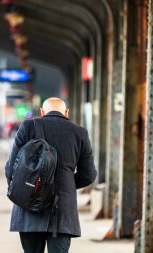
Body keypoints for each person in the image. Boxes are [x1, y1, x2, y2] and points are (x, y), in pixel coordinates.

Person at [5, 97, 97, 253]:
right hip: (61, 210)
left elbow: (10, 169)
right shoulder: (80, 133)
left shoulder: (28, 127)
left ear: (42, 112)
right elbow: (88, 175)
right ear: (66, 113)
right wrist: (66, 183)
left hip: (29, 207)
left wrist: (26, 189)